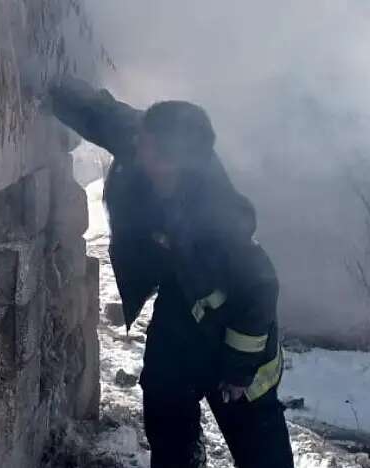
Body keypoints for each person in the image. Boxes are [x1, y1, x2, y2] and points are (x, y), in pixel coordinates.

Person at [49, 77, 294, 468]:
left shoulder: (217, 219)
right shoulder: (146, 141)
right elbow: (103, 114)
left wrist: (238, 369)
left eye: (144, 145)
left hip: (236, 331)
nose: (134, 146)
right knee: (164, 402)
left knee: (257, 445)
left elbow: (261, 286)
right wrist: (48, 85)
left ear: (170, 161)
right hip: (184, 302)